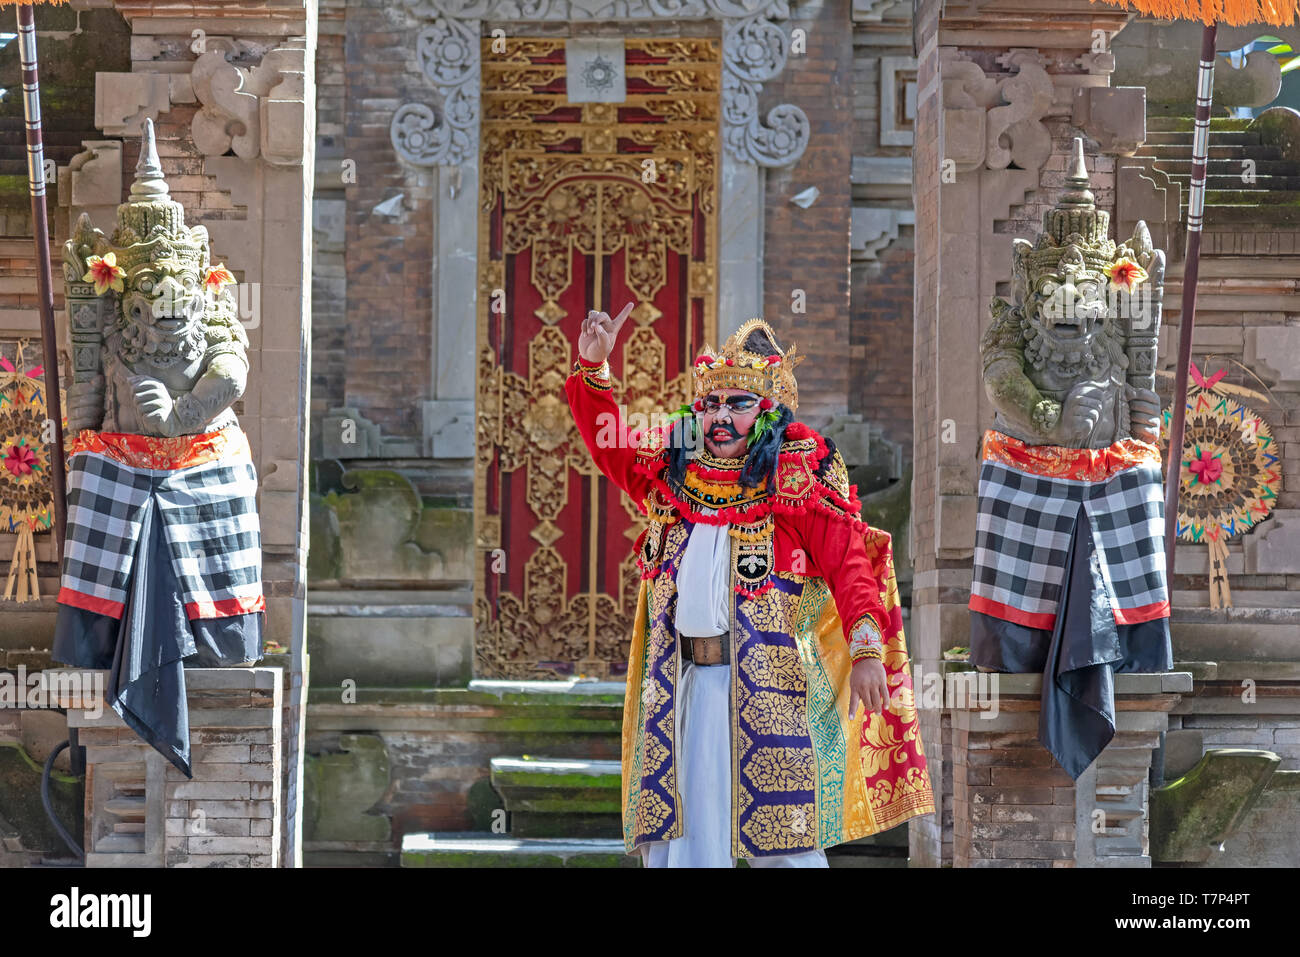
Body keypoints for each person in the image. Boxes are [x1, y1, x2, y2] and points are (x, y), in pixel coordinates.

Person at [565, 304, 933, 867]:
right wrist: (594, 370)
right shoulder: (674, 474)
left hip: (770, 690)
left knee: (785, 842)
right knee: (682, 843)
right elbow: (609, 448)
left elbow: (849, 562)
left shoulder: (793, 477)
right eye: (710, 403)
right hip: (683, 689)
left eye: (737, 405)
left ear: (767, 414)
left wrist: (866, 651)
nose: (719, 417)